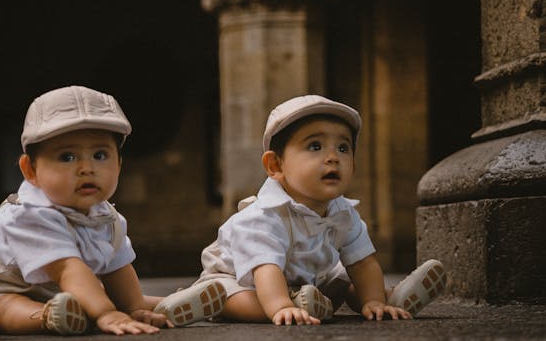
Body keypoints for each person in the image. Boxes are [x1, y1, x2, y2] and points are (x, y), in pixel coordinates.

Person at [0, 85, 226, 335]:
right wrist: (107, 314)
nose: (86, 169)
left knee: (112, 298)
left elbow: (118, 268)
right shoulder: (29, 214)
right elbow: (67, 268)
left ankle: (163, 307)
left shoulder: (107, 217)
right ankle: (48, 318)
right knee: (3, 309)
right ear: (30, 170)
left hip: (64, 289)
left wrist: (132, 307)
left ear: (119, 164)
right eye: (67, 156)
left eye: (100, 155)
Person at [166, 94, 446, 326]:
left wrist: (371, 297)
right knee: (233, 299)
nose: (332, 157)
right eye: (315, 146)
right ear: (276, 166)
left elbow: (363, 263)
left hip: (309, 282)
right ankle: (220, 302)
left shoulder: (344, 213)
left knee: (346, 279)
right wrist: (280, 307)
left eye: (343, 148)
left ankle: (385, 300)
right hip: (243, 280)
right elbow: (266, 270)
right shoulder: (262, 216)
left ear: (354, 167)